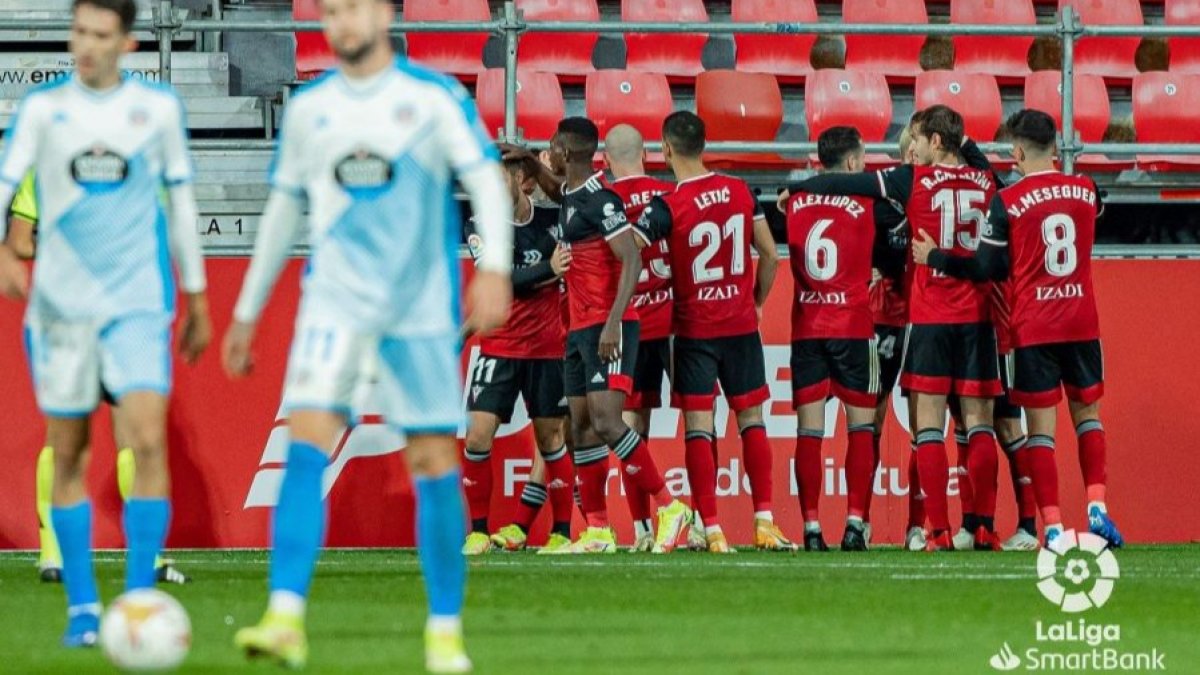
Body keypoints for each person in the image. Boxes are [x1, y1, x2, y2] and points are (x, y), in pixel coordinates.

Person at [220, 0, 513, 670]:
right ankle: (285, 616)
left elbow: (486, 183)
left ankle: (444, 633)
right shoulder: (309, 108)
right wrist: (247, 310)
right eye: (331, 11)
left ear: (384, 14)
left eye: (354, 8)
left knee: (434, 463)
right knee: (304, 446)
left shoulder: (433, 99)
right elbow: (283, 208)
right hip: (334, 306)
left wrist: (493, 269)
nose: (342, 22)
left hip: (417, 309)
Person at [0, 0, 210, 647]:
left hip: (139, 306)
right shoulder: (41, 110)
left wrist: (197, 294)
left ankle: (141, 594)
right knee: (69, 450)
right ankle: (84, 607)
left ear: (127, 42)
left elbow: (180, 203)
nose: (85, 46)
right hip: (61, 310)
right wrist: (6, 249)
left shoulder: (156, 111)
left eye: (99, 35)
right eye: (79, 33)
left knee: (145, 440)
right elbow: (5, 184)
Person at [784, 105, 1002, 552]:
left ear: (934, 143)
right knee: (978, 426)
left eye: (918, 141)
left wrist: (799, 190)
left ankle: (936, 530)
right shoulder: (988, 182)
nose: (911, 152)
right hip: (977, 319)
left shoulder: (913, 180)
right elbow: (989, 177)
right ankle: (983, 526)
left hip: (928, 318)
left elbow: (844, 181)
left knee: (928, 426)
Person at [911, 109, 1123, 551]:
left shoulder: (1008, 200)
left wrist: (936, 258)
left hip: (1034, 326)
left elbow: (988, 266)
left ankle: (1053, 527)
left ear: (1020, 150)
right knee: (1088, 417)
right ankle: (1098, 507)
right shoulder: (1086, 190)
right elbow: (1096, 209)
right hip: (1083, 321)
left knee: (1039, 431)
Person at [10, 171, 192, 585]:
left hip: (96, 316)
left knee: (97, 436)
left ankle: (63, 553)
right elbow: (19, 244)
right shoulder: (134, 164)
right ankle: (117, 555)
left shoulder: (53, 163)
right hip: (96, 315)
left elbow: (20, 242)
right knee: (101, 437)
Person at [533, 117, 691, 555]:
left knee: (606, 421)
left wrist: (612, 323)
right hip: (577, 328)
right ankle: (599, 530)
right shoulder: (569, 195)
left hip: (608, 326)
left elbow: (631, 262)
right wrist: (526, 158)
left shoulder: (602, 200)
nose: (549, 154)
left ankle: (670, 506)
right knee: (580, 428)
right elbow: (552, 188)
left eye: (551, 147)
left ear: (567, 152)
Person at [637, 111, 792, 553]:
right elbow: (770, 255)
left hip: (694, 331)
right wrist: (757, 302)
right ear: (704, 145)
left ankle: (714, 529)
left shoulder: (669, 204)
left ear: (666, 149)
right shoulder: (740, 190)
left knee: (699, 429)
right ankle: (765, 520)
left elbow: (632, 252)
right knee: (752, 421)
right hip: (741, 326)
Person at [462, 151, 575, 555]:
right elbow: (505, 281)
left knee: (551, 438)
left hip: (546, 348)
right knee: (477, 434)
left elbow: (572, 198)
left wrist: (537, 163)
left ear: (521, 182)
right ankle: (477, 530)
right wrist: (548, 269)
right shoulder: (477, 225)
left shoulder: (551, 221)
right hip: (500, 346)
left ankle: (562, 530)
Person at [785, 127, 883, 552]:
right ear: (849, 163)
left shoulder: (793, 201)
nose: (863, 167)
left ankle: (809, 528)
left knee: (810, 432)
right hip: (853, 327)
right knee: (861, 428)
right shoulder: (867, 201)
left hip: (808, 326)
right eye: (860, 160)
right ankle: (855, 525)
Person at [600, 123, 676, 552]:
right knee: (699, 423)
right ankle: (704, 522)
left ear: (605, 161)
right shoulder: (667, 194)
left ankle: (644, 529)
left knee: (631, 427)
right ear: (647, 153)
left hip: (627, 324)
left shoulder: (604, 202)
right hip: (673, 323)